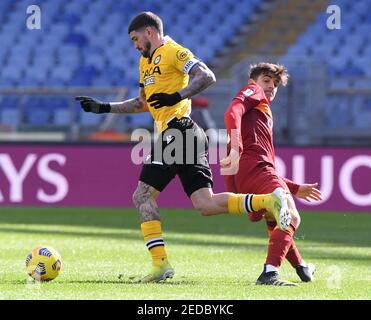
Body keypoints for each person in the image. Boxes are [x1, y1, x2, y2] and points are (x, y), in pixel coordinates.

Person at [75, 12, 292, 283]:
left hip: (179, 131)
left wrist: (178, 95)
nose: (134, 45)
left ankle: (160, 265)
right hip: (184, 135)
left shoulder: (173, 52)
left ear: (149, 33)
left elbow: (207, 76)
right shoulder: (145, 63)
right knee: (205, 204)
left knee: (142, 196)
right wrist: (104, 107)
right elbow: (145, 103)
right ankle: (268, 201)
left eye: (135, 38)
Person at [221, 62, 323, 286]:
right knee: (292, 217)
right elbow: (231, 111)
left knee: (276, 218)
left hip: (251, 172)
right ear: (253, 82)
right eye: (266, 80)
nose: (270, 87)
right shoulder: (253, 93)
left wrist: (294, 188)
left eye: (275, 84)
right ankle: (270, 273)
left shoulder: (259, 111)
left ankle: (301, 267)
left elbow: (233, 164)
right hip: (258, 169)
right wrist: (236, 142)